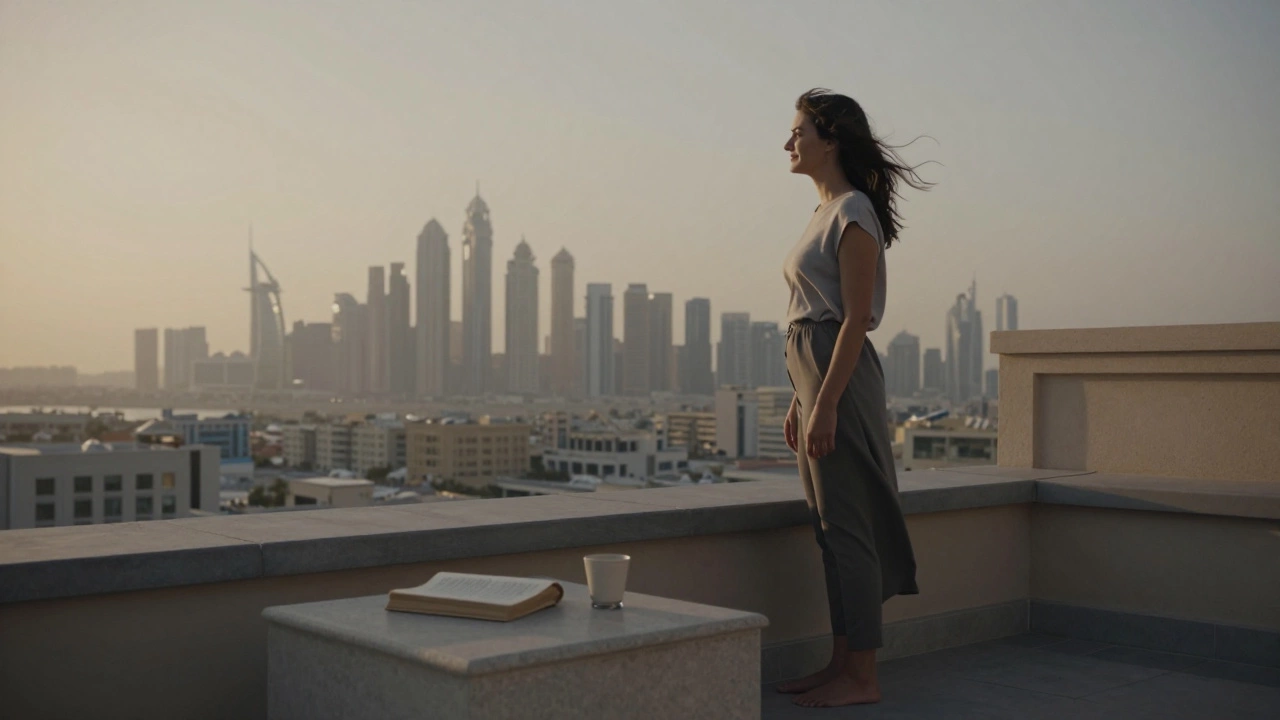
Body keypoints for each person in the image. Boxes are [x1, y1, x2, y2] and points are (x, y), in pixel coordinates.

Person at [777, 88, 929, 708]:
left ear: (830, 138)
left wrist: (828, 401)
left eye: (798, 132)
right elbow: (811, 315)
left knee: (849, 526)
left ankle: (862, 676)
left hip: (839, 376)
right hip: (814, 373)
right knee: (827, 527)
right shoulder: (824, 211)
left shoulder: (854, 212)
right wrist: (800, 397)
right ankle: (840, 662)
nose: (788, 144)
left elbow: (854, 317)